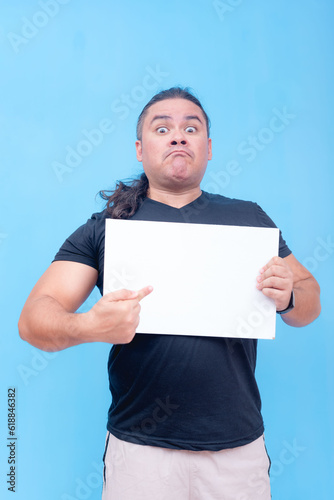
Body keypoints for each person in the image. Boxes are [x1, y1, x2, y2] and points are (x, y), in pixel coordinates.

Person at [18, 87, 321, 500]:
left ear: (208, 148)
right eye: (163, 128)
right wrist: (89, 324)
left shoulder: (250, 219)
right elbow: (34, 320)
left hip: (237, 452)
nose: (178, 136)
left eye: (190, 128)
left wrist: (288, 296)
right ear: (141, 150)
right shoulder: (107, 226)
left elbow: (309, 302)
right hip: (140, 453)